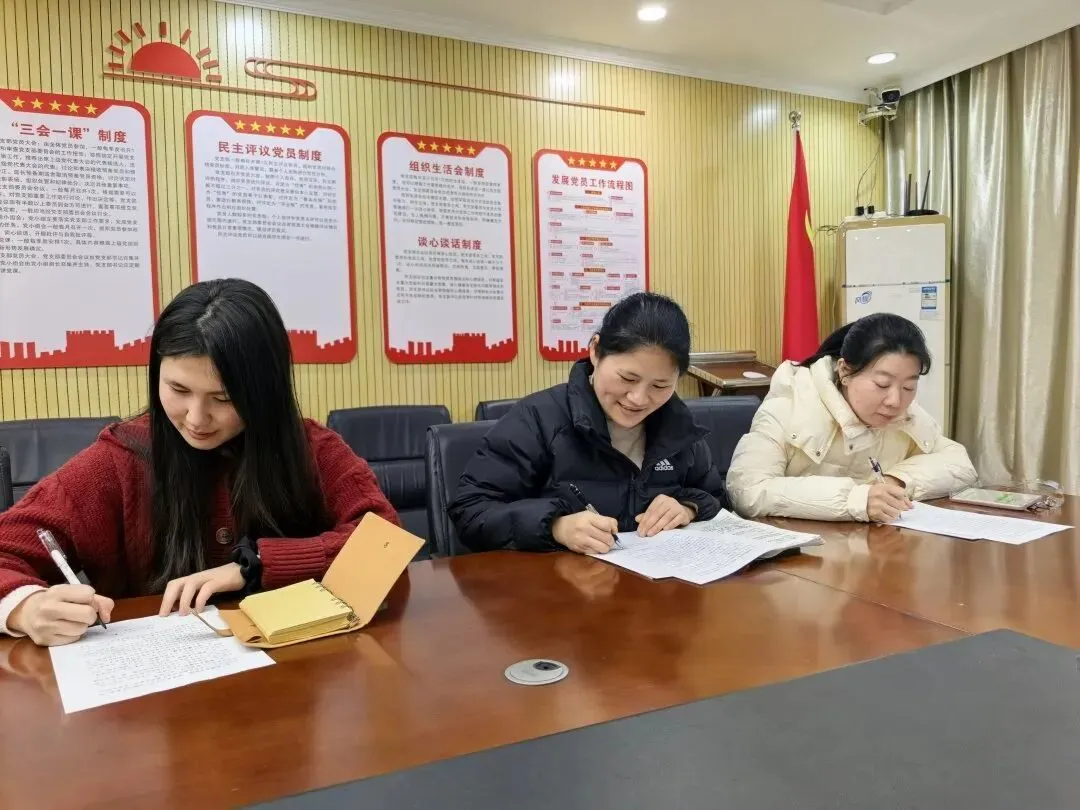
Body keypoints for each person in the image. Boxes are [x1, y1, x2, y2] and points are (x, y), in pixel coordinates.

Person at [0, 278, 398, 646]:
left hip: (297, 668)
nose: (195, 418)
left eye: (223, 399)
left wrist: (257, 565)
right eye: (178, 389)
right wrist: (25, 609)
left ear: (264, 393)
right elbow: (7, 549)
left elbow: (385, 541)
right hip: (160, 681)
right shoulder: (119, 460)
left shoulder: (311, 448)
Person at [449, 292, 727, 555]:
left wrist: (687, 507)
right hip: (560, 584)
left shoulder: (678, 425)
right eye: (627, 378)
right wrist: (555, 526)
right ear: (595, 350)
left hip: (654, 582)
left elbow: (715, 496)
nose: (639, 399)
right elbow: (471, 510)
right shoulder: (538, 419)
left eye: (660, 385)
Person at [726, 312, 977, 522]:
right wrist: (856, 499)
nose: (895, 401)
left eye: (908, 387)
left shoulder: (905, 413)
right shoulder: (789, 406)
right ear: (845, 371)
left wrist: (898, 481)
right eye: (882, 384)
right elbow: (747, 491)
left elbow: (959, 463)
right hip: (801, 556)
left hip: (873, 549)